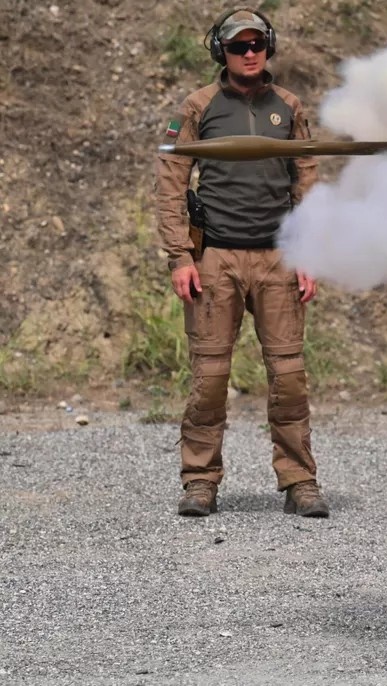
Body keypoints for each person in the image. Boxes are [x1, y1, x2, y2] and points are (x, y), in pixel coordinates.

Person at [154, 7, 329, 518]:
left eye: (256, 45)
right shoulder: (198, 106)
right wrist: (180, 257)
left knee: (289, 375)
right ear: (221, 52)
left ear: (268, 47)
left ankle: (300, 480)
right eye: (238, 46)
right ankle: (200, 481)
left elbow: (308, 180)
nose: (249, 53)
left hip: (278, 257)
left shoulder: (289, 106)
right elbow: (171, 182)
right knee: (209, 378)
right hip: (217, 261)